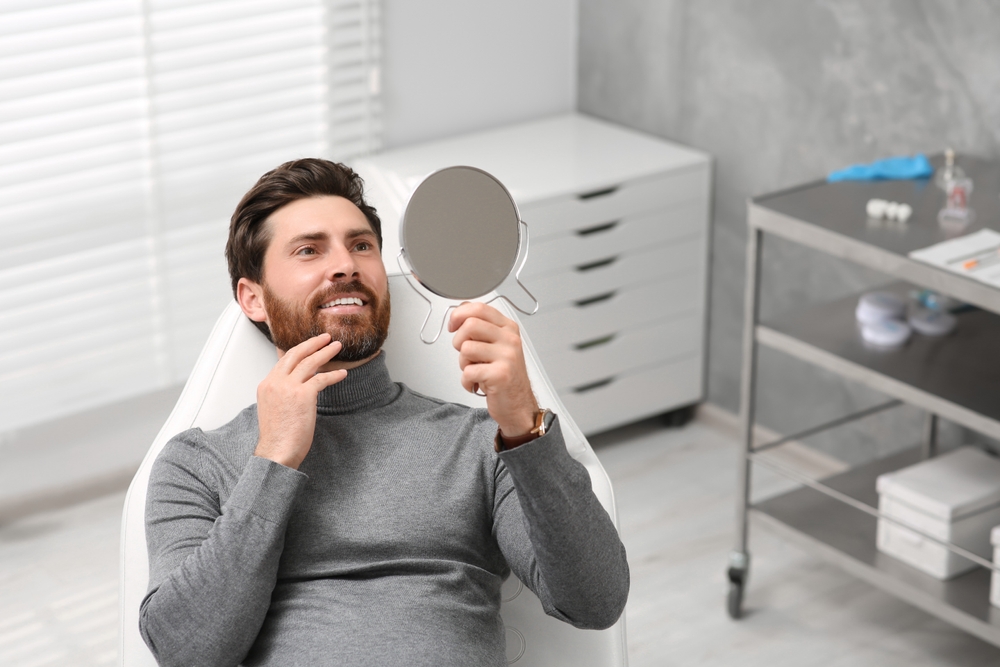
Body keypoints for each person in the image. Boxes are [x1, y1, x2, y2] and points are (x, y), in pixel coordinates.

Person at [139, 158, 629, 667]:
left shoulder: (482, 443)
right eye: (309, 250)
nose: (346, 265)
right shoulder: (196, 462)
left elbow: (595, 602)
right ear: (253, 298)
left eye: (361, 245)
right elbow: (186, 651)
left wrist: (526, 427)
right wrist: (273, 461)